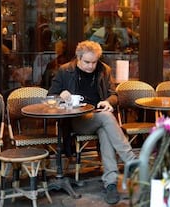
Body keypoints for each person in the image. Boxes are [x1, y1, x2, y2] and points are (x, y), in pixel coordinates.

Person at [48, 40, 137, 204]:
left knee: (105, 127)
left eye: (94, 62)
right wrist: (61, 96)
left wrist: (109, 102)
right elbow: (50, 97)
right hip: (77, 119)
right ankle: (131, 161)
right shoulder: (65, 71)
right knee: (106, 118)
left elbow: (114, 95)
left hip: (99, 117)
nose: (91, 66)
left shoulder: (104, 70)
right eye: (87, 62)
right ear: (78, 58)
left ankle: (110, 183)